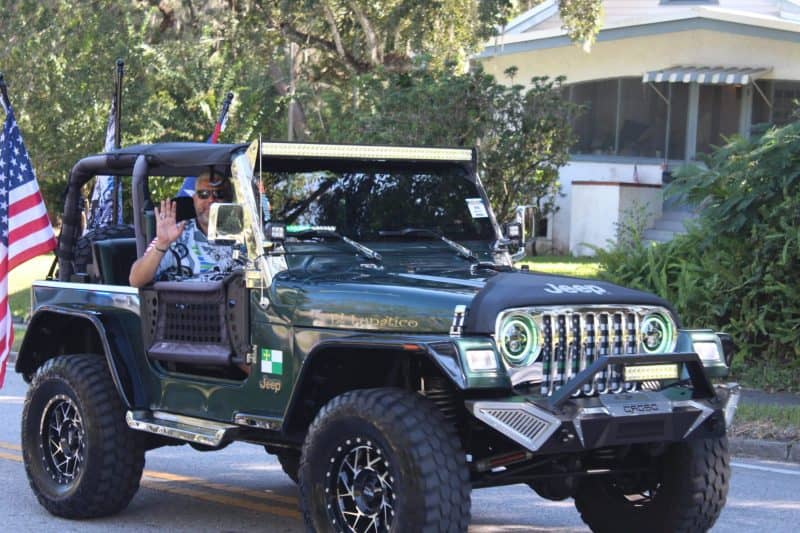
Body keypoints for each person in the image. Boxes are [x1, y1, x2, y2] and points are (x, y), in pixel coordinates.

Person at [129, 171, 237, 287]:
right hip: (185, 302)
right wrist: (162, 244)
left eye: (218, 194)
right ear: (194, 199)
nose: (211, 200)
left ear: (229, 199)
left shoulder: (246, 236)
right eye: (203, 194)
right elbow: (136, 280)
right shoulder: (174, 234)